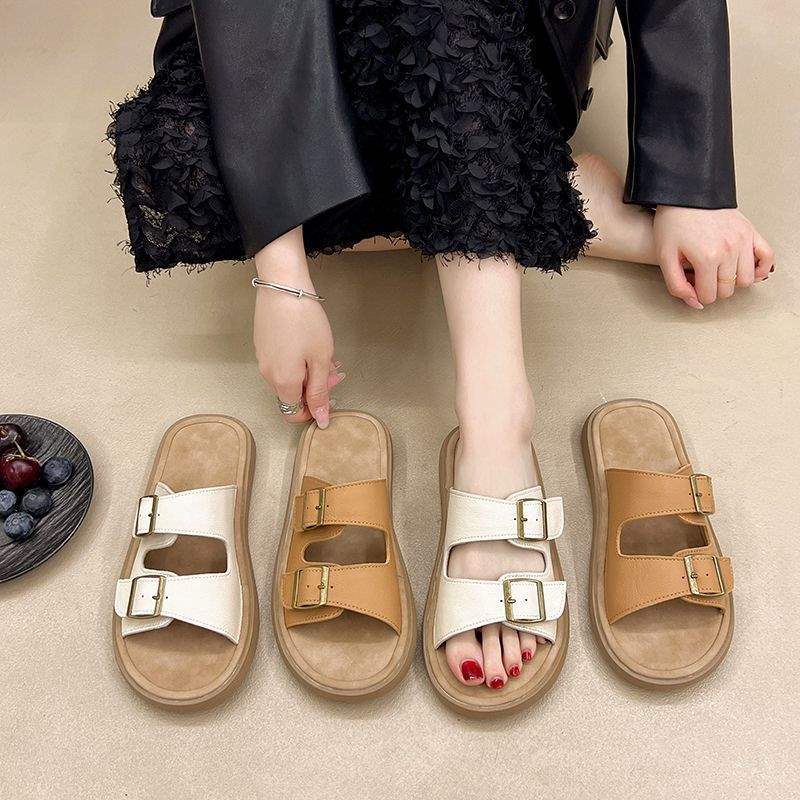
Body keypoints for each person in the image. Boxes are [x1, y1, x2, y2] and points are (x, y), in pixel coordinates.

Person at [141, 0, 773, 690]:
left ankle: (497, 430)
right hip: (265, 35)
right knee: (195, 171)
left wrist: (692, 185)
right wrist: (282, 273)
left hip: (477, 44)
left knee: (437, 32)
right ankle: (557, 197)